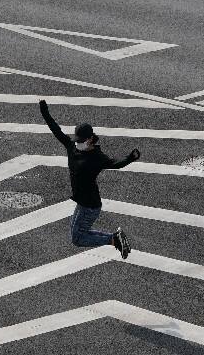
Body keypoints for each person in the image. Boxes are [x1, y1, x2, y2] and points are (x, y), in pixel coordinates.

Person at [39, 100, 139, 259]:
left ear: (91, 139)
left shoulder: (97, 157)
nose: (78, 143)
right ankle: (115, 238)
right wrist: (45, 113)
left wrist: (131, 158)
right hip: (83, 202)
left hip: (90, 206)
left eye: (81, 141)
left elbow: (116, 164)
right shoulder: (72, 147)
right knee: (77, 234)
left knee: (77, 238)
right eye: (77, 140)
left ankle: (113, 239)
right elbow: (56, 130)